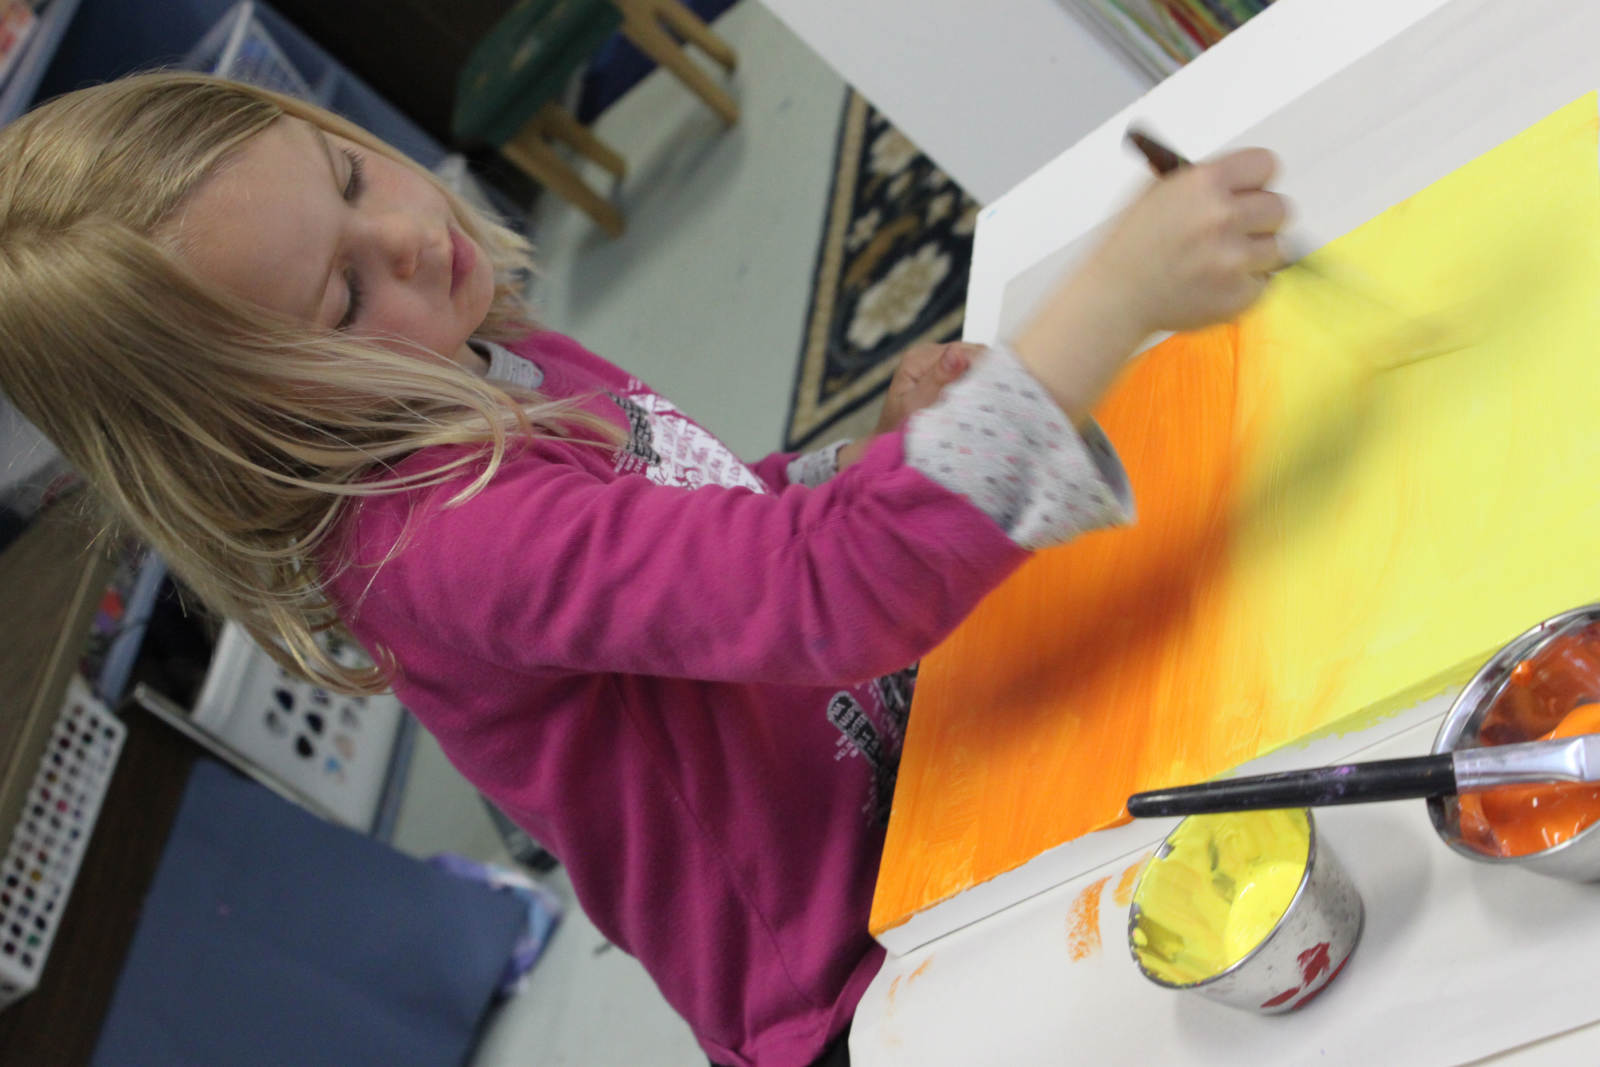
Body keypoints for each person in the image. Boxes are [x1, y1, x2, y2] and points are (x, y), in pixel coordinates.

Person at [0, 72, 1286, 1067]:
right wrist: (1108, 303)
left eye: (349, 176)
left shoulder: (472, 358)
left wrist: (863, 461)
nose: (402, 235)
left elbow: (712, 525)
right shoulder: (440, 538)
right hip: (859, 983)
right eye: (340, 298)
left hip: (925, 807)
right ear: (252, 425)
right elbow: (815, 594)